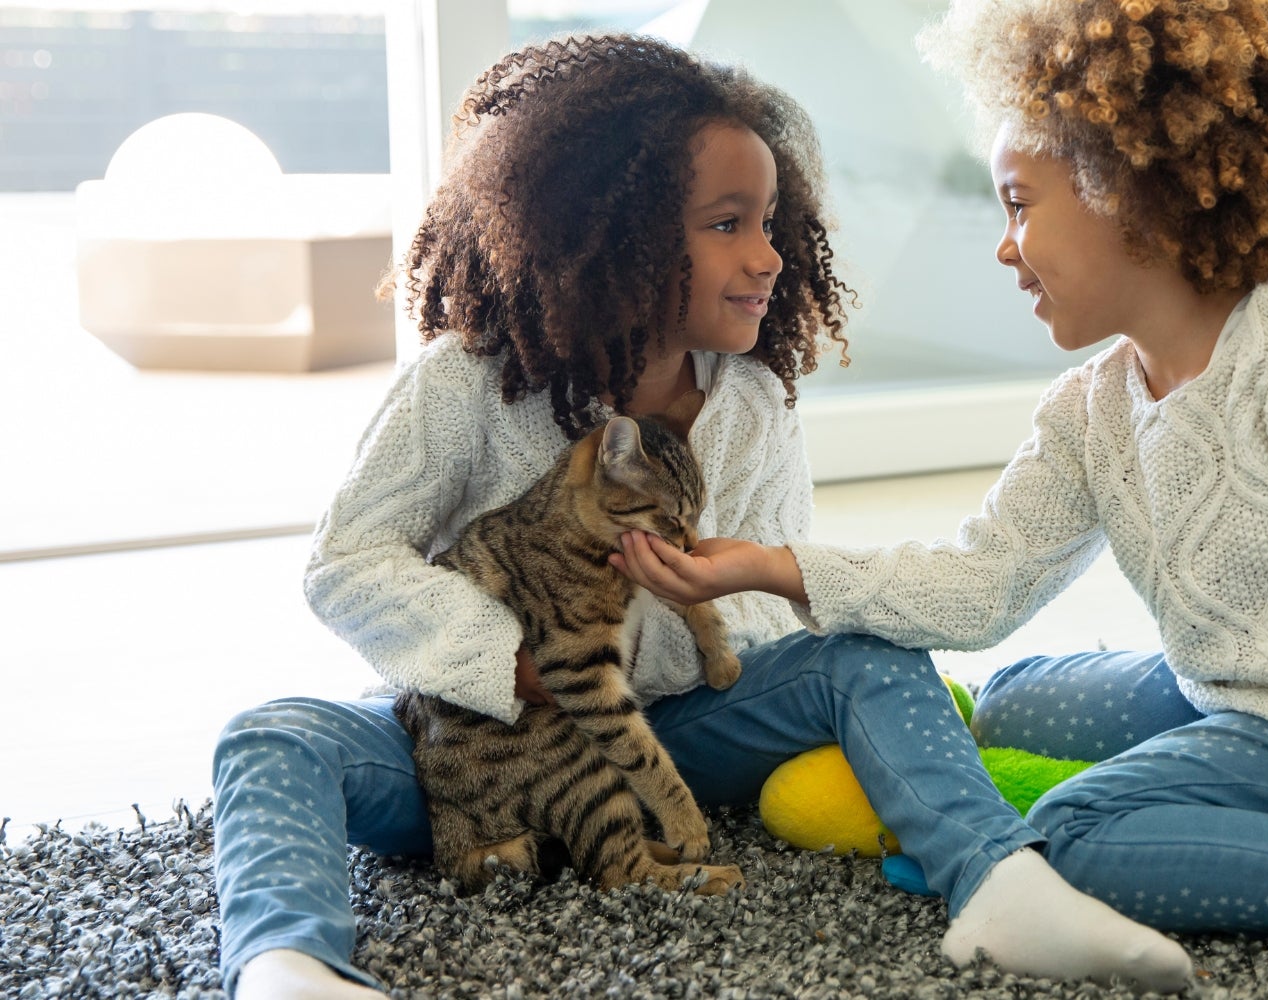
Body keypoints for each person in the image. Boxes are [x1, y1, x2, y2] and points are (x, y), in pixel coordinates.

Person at [611, 0, 1268, 974]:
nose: (1004, 246)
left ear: (1132, 193)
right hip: (1235, 691)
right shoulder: (1091, 405)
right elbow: (981, 581)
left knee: (1072, 833)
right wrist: (771, 567)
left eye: (1018, 205)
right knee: (1004, 702)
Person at [211, 33, 1192, 1000]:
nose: (767, 255)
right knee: (273, 735)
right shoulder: (468, 382)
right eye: (727, 224)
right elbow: (345, 560)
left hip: (671, 735)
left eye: (769, 222)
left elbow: (772, 617)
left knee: (864, 650)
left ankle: (996, 882)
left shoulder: (752, 404)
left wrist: (694, 609)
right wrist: (495, 653)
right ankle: (287, 964)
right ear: (614, 234)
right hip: (474, 754)